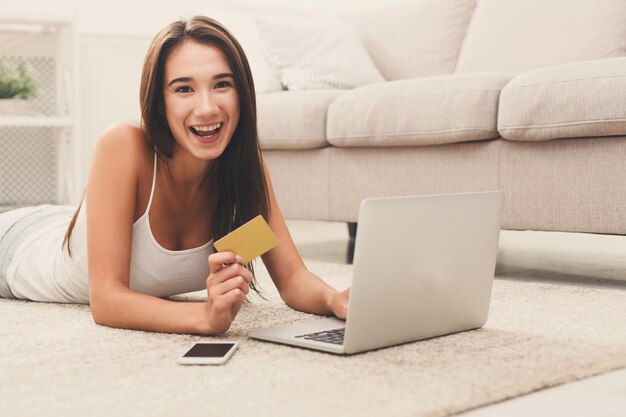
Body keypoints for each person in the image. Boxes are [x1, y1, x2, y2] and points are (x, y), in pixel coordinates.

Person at [0, 16, 349, 335]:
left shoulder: (243, 169)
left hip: (63, 222)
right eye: (184, 89)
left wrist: (337, 300)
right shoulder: (123, 145)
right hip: (18, 246)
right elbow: (107, 300)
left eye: (222, 84)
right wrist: (203, 318)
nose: (207, 107)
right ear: (159, 101)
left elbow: (291, 278)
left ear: (243, 94)